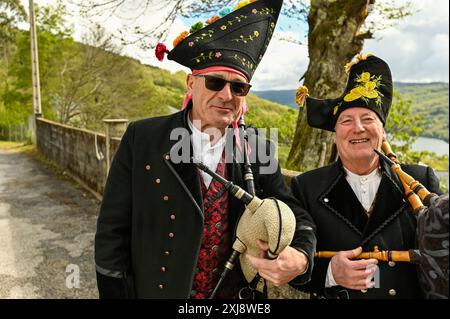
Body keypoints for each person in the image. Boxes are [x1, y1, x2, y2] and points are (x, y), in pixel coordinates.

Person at [95, 0, 316, 299]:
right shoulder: (143, 138)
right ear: (191, 83)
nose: (226, 95)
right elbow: (112, 233)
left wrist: (302, 257)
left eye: (239, 87)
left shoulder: (257, 147)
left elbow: (294, 212)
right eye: (214, 82)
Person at [291, 54, 443, 299]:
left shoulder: (421, 178)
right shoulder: (306, 187)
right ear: (335, 135)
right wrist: (331, 272)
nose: (358, 128)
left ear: (382, 132)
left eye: (368, 119)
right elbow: (293, 266)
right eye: (346, 120)